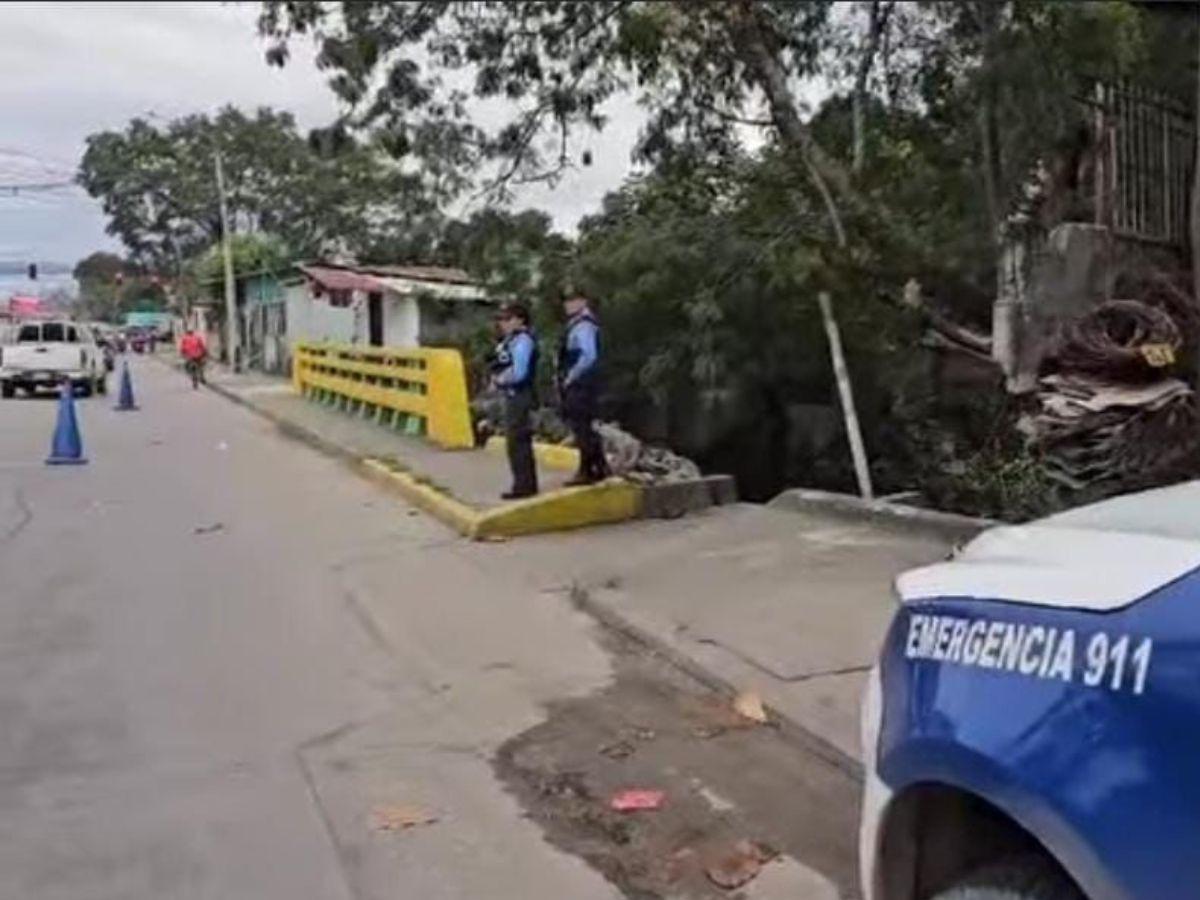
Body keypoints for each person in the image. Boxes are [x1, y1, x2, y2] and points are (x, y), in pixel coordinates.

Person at [558, 293, 609, 485]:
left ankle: (587, 470)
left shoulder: (584, 325)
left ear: (583, 302)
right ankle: (598, 466)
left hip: (581, 384)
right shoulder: (577, 324)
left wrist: (571, 377)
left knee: (582, 428)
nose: (567, 305)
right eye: (566, 301)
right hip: (581, 383)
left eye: (572, 300)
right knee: (582, 426)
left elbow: (588, 356)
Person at [491, 303, 539, 499]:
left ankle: (524, 485)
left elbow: (520, 371)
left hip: (519, 394)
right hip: (512, 394)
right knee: (515, 441)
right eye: (501, 319)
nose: (503, 323)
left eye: (508, 319)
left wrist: (500, 379)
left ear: (520, 320)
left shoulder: (523, 341)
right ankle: (522, 482)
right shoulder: (512, 340)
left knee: (517, 440)